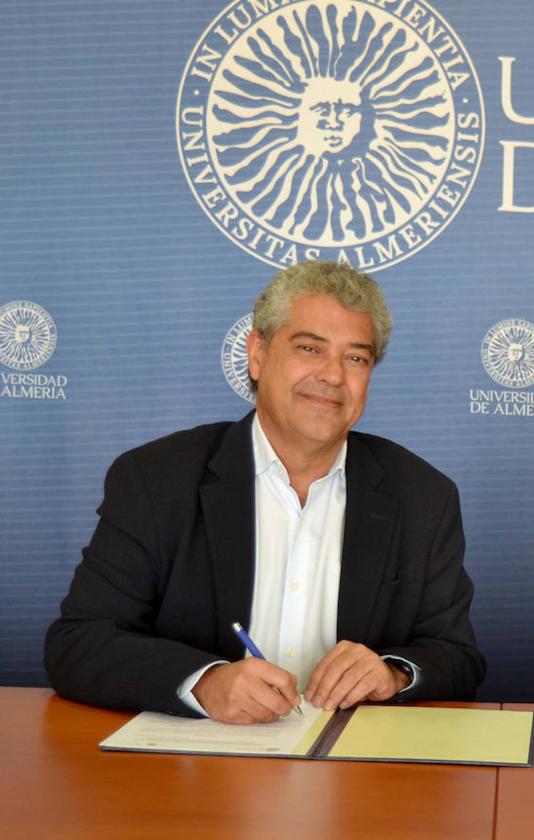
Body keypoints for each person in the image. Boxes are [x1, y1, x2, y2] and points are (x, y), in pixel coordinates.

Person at [45, 261, 485, 723]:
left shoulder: (423, 497)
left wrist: (393, 675)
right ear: (257, 354)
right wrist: (205, 681)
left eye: (356, 358)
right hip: (193, 775)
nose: (333, 375)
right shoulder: (156, 479)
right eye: (309, 348)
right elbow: (78, 642)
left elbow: (457, 657)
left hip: (353, 777)